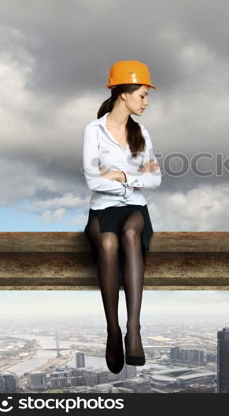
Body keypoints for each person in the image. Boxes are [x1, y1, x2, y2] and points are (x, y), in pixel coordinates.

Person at [82, 60, 162, 374]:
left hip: (135, 211)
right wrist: (131, 174)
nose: (146, 101)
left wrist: (121, 177)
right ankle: (113, 332)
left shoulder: (141, 132)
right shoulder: (94, 131)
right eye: (142, 95)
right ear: (125, 94)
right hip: (102, 211)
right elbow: (93, 180)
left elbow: (155, 179)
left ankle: (134, 330)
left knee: (129, 235)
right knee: (108, 244)